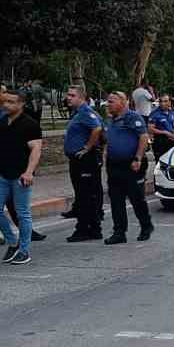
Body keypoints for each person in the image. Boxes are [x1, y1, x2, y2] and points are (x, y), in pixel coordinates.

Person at [0, 88, 43, 265]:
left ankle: (24, 250)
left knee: (22, 213)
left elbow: (36, 149)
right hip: (1, 174)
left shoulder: (30, 124)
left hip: (21, 176)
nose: (6, 105)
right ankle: (12, 242)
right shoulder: (0, 123)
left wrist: (29, 172)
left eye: (11, 102)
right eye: (4, 101)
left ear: (21, 104)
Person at [103, 91, 154, 244]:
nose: (108, 104)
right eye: (108, 101)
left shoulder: (133, 117)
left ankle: (146, 225)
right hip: (114, 165)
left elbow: (143, 137)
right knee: (116, 199)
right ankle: (119, 232)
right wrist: (106, 153)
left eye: (111, 101)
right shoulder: (111, 119)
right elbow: (110, 139)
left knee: (136, 198)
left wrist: (138, 158)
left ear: (123, 102)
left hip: (131, 164)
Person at [62, 84, 104, 242]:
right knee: (84, 194)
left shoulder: (86, 112)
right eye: (68, 95)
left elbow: (97, 128)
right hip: (77, 160)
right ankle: (94, 228)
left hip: (85, 160)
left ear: (82, 97)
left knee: (85, 195)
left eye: (72, 95)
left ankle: (83, 229)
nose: (68, 98)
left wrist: (87, 147)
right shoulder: (77, 113)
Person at [148, 93, 174, 161]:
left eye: (165, 101)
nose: (162, 103)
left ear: (169, 102)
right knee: (161, 162)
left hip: (172, 140)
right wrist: (164, 132)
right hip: (160, 141)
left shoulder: (171, 112)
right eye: (161, 101)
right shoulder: (155, 113)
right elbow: (150, 129)